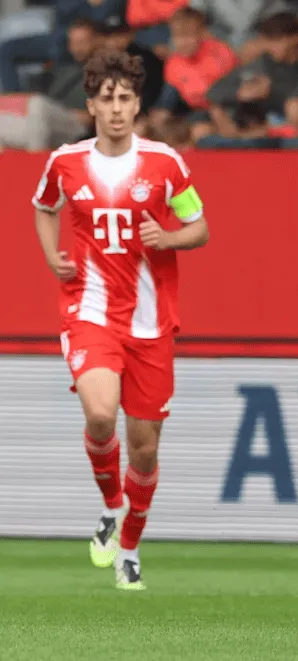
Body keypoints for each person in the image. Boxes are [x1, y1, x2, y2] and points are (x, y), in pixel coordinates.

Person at [31, 49, 210, 590]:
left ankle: (129, 544)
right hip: (90, 311)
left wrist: (169, 237)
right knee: (100, 413)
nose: (115, 108)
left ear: (137, 106)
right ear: (90, 106)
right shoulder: (65, 162)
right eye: (106, 99)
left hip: (151, 323)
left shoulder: (165, 163)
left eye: (125, 98)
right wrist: (51, 256)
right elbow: (44, 206)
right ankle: (112, 505)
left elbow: (199, 227)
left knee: (145, 448)